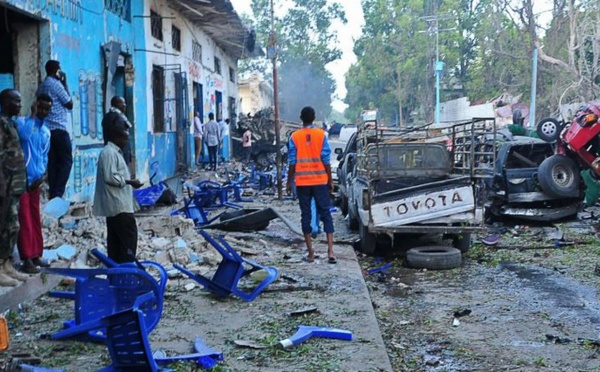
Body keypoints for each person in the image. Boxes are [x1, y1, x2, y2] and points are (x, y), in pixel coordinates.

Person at [286, 106, 336, 264]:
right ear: (314, 118)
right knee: (326, 214)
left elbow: (292, 162)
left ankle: (311, 253)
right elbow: (326, 160)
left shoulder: (294, 137)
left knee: (305, 216)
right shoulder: (322, 135)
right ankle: (331, 252)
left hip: (302, 183)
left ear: (301, 118)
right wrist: (330, 179)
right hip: (320, 180)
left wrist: (289, 181)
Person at [93, 123, 143, 263]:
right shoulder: (109, 153)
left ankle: (117, 274)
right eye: (125, 138)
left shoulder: (115, 153)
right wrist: (129, 182)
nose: (127, 142)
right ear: (116, 137)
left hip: (119, 205)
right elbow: (110, 177)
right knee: (128, 241)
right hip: (118, 205)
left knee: (117, 243)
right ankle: (126, 272)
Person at [16, 94, 52, 273]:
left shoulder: (46, 131)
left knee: (35, 218)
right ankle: (27, 258)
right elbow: (23, 137)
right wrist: (32, 116)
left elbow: (44, 155)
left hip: (36, 182)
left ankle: (37, 253)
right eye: (41, 107)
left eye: (47, 109)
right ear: (35, 105)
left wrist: (42, 176)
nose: (43, 111)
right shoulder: (23, 123)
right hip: (22, 180)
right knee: (24, 220)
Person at [0, 89, 31, 285]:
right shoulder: (1, 124)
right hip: (6, 184)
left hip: (16, 184)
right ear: (5, 102)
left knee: (13, 226)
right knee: (4, 226)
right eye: (16, 101)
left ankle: (6, 264)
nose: (20, 105)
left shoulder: (11, 123)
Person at [36, 60, 73, 199]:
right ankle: (58, 193)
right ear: (57, 71)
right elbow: (69, 104)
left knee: (52, 163)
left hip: (47, 130)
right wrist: (65, 82)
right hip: (59, 129)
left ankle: (53, 192)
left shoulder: (42, 86)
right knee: (66, 161)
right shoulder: (57, 85)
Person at [101, 96, 132, 164]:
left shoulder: (110, 116)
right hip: (119, 153)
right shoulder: (117, 117)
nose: (124, 105)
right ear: (116, 104)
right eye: (122, 103)